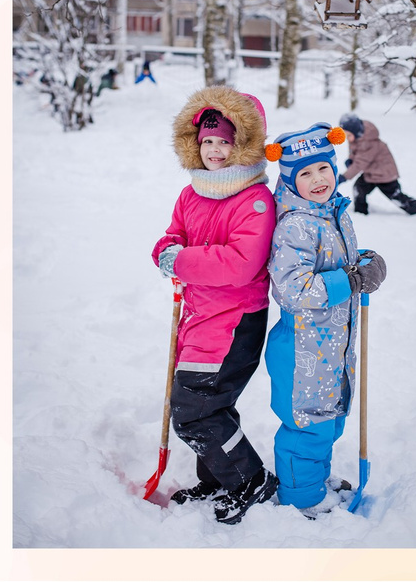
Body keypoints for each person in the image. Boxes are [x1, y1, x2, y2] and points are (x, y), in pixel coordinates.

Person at [151, 87, 277, 522]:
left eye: (225, 140)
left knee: (192, 411)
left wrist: (182, 260)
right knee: (208, 406)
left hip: (235, 322)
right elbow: (171, 238)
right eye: (207, 141)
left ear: (243, 143)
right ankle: (219, 478)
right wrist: (168, 252)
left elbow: (241, 265)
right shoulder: (192, 194)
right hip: (199, 318)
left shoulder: (256, 200)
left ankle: (249, 480)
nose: (215, 150)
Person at [264, 124, 385, 518]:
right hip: (304, 354)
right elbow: (291, 289)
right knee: (307, 431)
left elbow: (333, 262)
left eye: (323, 170)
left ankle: (315, 482)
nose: (317, 180)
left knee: (329, 424)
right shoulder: (295, 224)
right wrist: (349, 280)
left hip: (331, 348)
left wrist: (363, 262)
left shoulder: (331, 211)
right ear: (288, 179)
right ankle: (302, 500)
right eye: (305, 174)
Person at [337, 115, 416, 216]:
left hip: (384, 175)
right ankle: (360, 213)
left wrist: (344, 176)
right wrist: (351, 159)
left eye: (349, 135)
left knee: (397, 198)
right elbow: (355, 152)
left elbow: (360, 163)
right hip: (371, 173)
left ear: (356, 132)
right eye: (345, 135)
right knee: (358, 189)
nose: (347, 138)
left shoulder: (368, 142)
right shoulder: (356, 138)